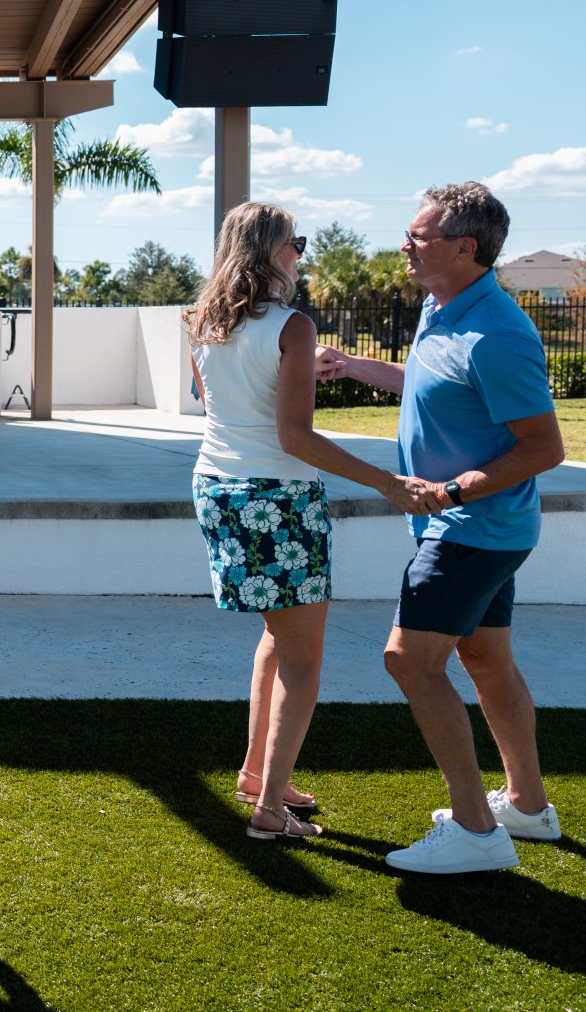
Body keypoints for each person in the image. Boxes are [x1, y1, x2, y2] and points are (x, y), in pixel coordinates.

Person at [318, 182, 566, 873]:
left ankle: (477, 830)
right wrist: (356, 366)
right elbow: (431, 380)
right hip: (477, 526)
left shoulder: (498, 333)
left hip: (472, 525)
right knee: (485, 658)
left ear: (466, 246)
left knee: (409, 659)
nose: (405, 244)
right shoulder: (443, 305)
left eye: (418, 235)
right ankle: (527, 803)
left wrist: (452, 489)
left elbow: (545, 447)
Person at [185, 203, 425, 842]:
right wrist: (387, 481)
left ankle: (258, 776)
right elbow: (294, 437)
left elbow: (223, 404)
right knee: (304, 656)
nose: (301, 254)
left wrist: (299, 368)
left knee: (277, 636)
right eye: (297, 243)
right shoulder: (294, 325)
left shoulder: (203, 322)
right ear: (271, 252)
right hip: (278, 498)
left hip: (219, 489)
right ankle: (269, 812)